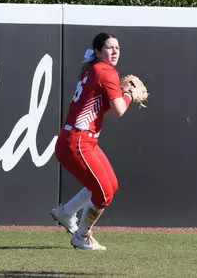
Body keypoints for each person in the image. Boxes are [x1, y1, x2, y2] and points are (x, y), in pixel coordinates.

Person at [49, 32, 144, 251]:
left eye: (118, 48)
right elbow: (119, 109)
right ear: (99, 51)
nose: (114, 52)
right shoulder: (105, 72)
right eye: (110, 48)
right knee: (104, 193)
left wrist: (123, 92)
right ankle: (82, 236)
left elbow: (104, 107)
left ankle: (66, 212)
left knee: (111, 184)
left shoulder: (94, 70)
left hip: (81, 140)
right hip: (77, 142)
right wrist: (128, 94)